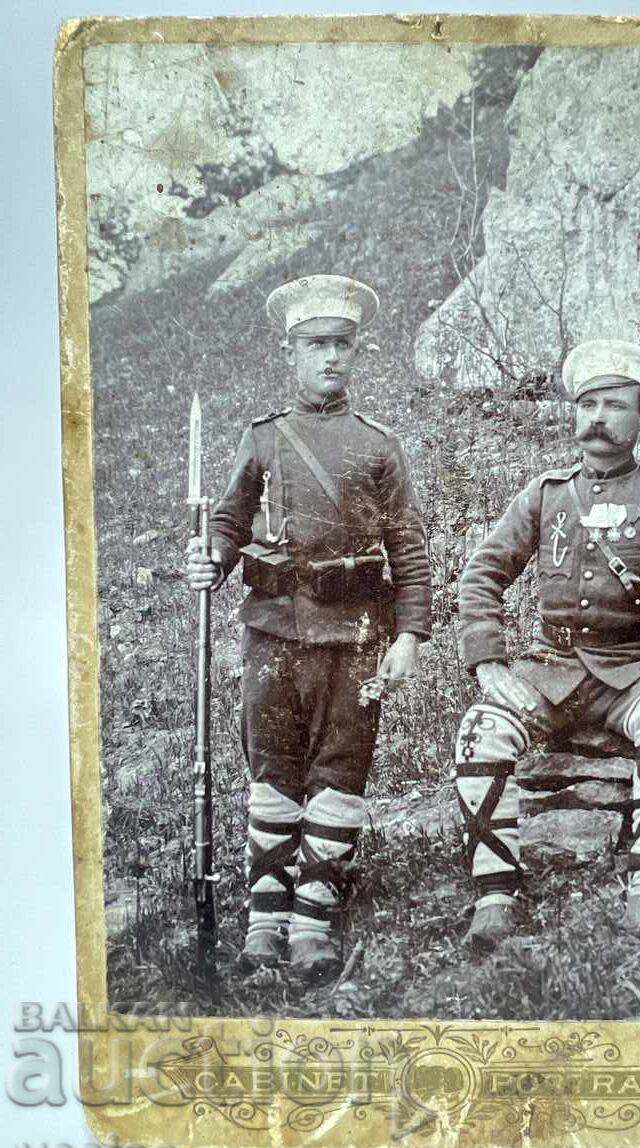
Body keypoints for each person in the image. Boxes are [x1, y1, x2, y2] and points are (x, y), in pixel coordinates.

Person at [453, 338, 640, 949]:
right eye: (587, 403)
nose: (597, 417)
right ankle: (494, 892)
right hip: (550, 669)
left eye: (614, 405)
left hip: (635, 669)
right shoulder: (545, 494)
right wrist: (488, 661)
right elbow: (482, 573)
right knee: (477, 731)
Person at [186, 274, 432, 981]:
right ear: (291, 353)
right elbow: (229, 518)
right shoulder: (262, 440)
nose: (330, 358)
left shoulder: (379, 447)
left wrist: (410, 634)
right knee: (273, 765)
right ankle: (266, 913)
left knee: (340, 767)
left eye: (341, 346)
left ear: (356, 354)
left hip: (355, 634)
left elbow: (409, 545)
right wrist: (214, 556)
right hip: (272, 629)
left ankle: (314, 914)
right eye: (316, 345)